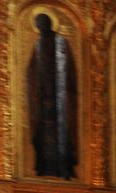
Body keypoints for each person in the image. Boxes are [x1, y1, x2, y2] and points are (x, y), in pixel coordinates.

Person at [27, 12, 79, 178]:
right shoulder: (38, 44)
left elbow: (69, 70)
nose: (41, 27)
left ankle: (65, 168)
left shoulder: (61, 42)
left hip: (60, 100)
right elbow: (32, 70)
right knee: (43, 134)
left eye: (43, 23)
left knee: (63, 131)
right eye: (38, 24)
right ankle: (44, 167)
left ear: (49, 24)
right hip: (43, 99)